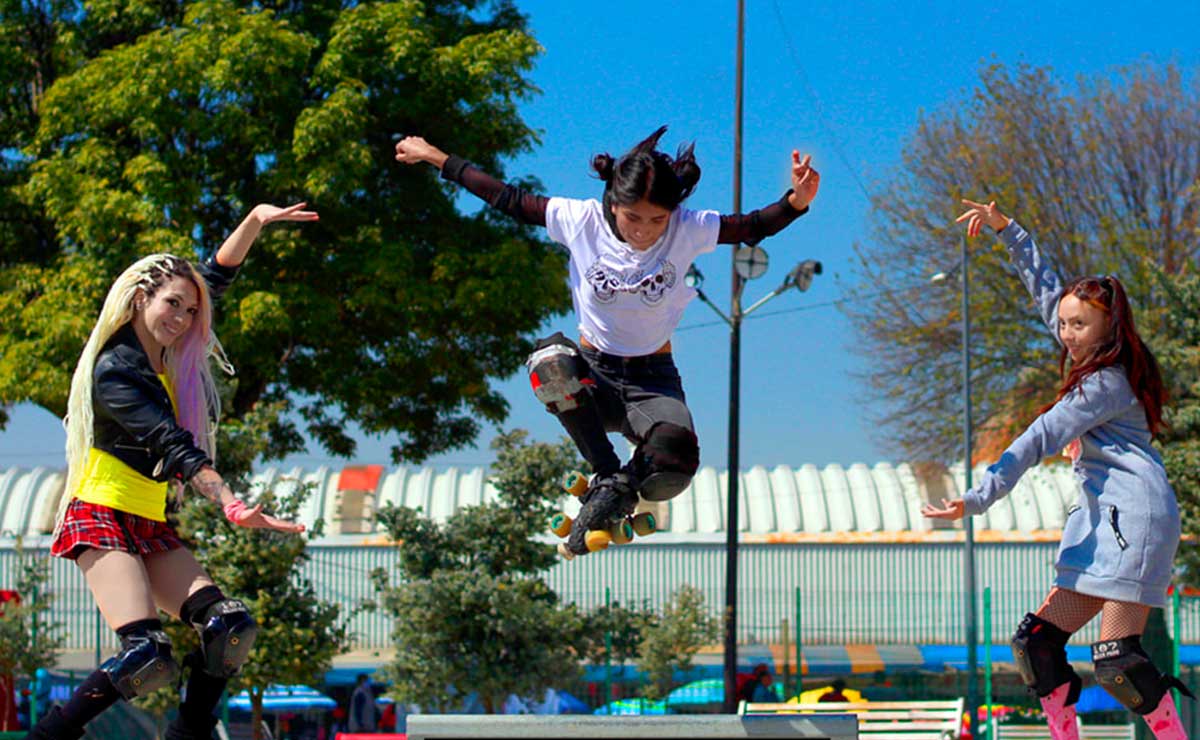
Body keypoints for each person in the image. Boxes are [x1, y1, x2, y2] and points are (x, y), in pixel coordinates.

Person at [394, 127, 819, 556]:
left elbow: (751, 227)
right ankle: (606, 472)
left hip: (653, 381)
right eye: (633, 218)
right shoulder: (580, 220)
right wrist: (435, 156)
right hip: (592, 376)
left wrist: (796, 200)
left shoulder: (688, 228)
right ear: (613, 203)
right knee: (550, 359)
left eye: (658, 220)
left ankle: (614, 495)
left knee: (678, 461)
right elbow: (507, 198)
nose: (644, 232)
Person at [27, 204, 316, 740]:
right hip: (101, 513)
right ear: (141, 298)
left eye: (188, 309)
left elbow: (215, 277)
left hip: (146, 519)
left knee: (229, 627)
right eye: (171, 305)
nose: (182, 318)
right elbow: (173, 446)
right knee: (147, 655)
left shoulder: (167, 348)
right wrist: (229, 501)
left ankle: (188, 735)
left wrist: (254, 220)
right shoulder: (116, 372)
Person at [923, 200, 1190, 740]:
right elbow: (1047, 290)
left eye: (1078, 325)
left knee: (1116, 660)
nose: (1067, 333)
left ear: (1107, 325)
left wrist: (977, 497)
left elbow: (1040, 435)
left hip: (1135, 520)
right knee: (1036, 644)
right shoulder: (1084, 349)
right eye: (1063, 324)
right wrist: (1008, 229)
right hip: (1103, 519)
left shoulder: (1104, 382)